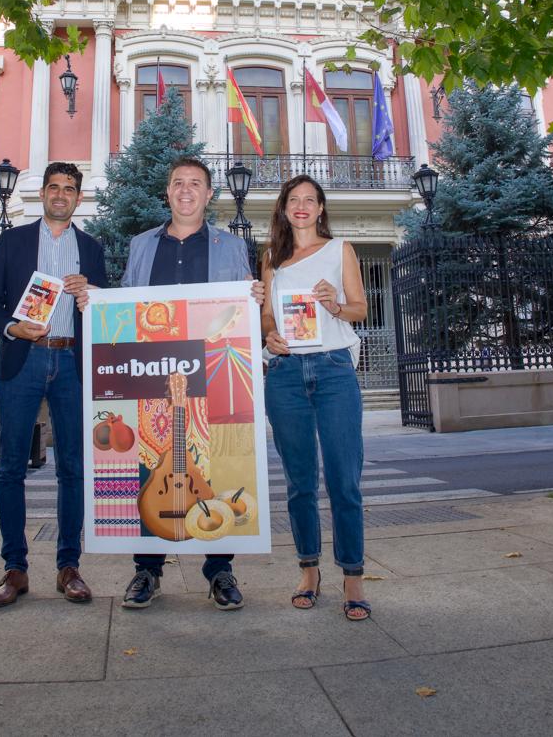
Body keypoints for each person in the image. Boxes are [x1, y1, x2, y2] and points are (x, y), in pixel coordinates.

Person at [119, 156, 264, 611]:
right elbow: (126, 300)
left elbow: (239, 311)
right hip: (153, 371)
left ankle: (219, 570)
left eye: (195, 184)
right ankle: (147, 569)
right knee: (152, 460)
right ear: (168, 193)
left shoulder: (230, 246)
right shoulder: (142, 244)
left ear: (207, 194)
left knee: (214, 465)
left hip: (212, 372)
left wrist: (253, 297)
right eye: (178, 183)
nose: (186, 190)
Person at [0, 162, 109, 608]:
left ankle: (68, 567)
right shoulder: (13, 241)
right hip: (24, 360)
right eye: (53, 187)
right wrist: (13, 327)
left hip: (72, 360)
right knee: (11, 466)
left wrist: (89, 292)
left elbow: (107, 306)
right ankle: (15, 568)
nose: (60, 194)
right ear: (44, 195)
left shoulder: (91, 248)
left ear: (78, 198)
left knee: (73, 468)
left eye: (69, 188)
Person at [260, 174, 371, 620]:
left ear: (321, 208)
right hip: (285, 374)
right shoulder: (271, 258)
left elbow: (361, 309)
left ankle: (353, 576)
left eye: (310, 200)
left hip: (333, 370)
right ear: (284, 208)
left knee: (344, 480)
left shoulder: (340, 248)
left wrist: (334, 304)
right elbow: (268, 315)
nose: (302, 206)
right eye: (294, 200)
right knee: (299, 482)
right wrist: (270, 335)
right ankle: (308, 569)